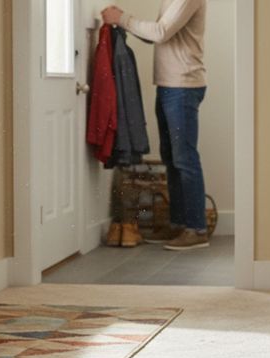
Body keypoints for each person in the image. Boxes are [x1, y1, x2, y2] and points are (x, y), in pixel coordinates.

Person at [102, 0, 209, 251]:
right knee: (171, 158)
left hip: (182, 86)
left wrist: (122, 18)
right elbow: (161, 34)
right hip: (170, 85)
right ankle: (179, 225)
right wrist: (123, 21)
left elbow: (161, 32)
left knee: (184, 158)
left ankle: (196, 229)